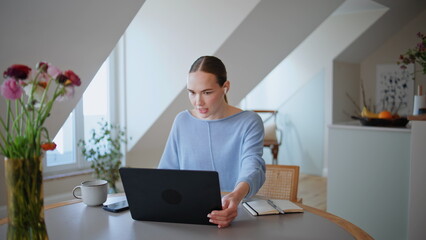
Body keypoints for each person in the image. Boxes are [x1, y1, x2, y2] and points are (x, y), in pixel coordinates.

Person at [158, 56, 265, 228]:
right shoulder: (182, 121)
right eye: (192, 92)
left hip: (235, 212)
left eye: (207, 92)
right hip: (188, 215)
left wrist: (235, 196)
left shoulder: (249, 121)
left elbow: (252, 165)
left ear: (225, 87)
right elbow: (166, 172)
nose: (198, 102)